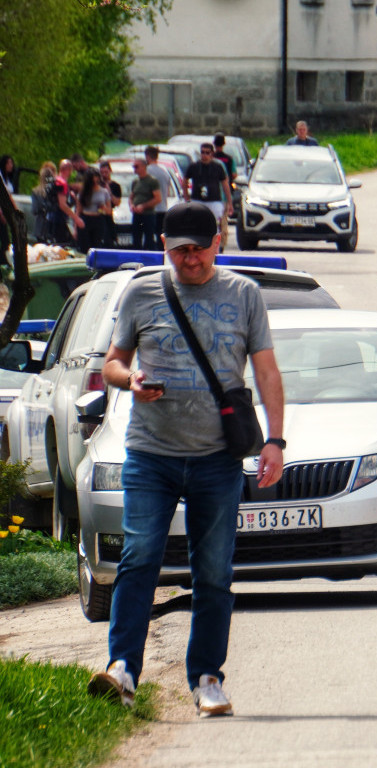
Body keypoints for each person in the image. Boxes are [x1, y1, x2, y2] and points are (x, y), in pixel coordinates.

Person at [87, 202, 286, 718]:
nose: (190, 259)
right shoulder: (141, 291)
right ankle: (123, 669)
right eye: (180, 251)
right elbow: (112, 361)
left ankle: (207, 678)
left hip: (217, 458)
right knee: (139, 559)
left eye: (198, 249)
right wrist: (129, 380)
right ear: (166, 249)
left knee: (214, 571)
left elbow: (265, 371)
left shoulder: (244, 294)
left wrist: (276, 441)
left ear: (217, 242)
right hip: (150, 453)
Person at [184, 143, 232, 239]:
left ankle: (215, 248)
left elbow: (225, 185)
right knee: (197, 226)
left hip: (214, 201)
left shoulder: (218, 167)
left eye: (207, 153)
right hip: (197, 200)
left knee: (214, 226)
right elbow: (185, 181)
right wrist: (187, 197)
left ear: (212, 154)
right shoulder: (194, 166)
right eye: (202, 152)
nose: (204, 155)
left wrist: (229, 202)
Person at [129, 158, 162, 251]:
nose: (134, 169)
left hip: (148, 215)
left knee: (149, 239)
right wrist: (131, 205)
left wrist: (143, 206)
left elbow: (158, 198)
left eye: (136, 166)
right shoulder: (135, 181)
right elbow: (131, 197)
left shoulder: (152, 181)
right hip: (137, 215)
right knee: (136, 239)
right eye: (133, 167)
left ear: (143, 167)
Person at [75, 169, 111, 252]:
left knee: (97, 247)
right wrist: (75, 228)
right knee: (84, 247)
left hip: (98, 219)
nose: (96, 181)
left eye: (97, 178)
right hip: (85, 219)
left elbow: (109, 211)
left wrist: (104, 208)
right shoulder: (83, 192)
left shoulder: (104, 192)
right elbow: (78, 210)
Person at [47, 160, 81, 247]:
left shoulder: (54, 180)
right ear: (69, 170)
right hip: (59, 220)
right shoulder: (62, 183)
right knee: (65, 246)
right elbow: (62, 205)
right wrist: (76, 218)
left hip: (49, 218)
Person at [212, 133, 236, 249]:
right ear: (224, 144)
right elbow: (234, 174)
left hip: (212, 194)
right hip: (225, 195)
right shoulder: (229, 159)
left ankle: (213, 243)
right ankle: (222, 243)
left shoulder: (211, 158)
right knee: (223, 220)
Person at [145, 145, 178, 223]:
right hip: (163, 208)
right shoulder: (164, 173)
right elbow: (168, 191)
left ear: (147, 156)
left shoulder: (146, 172)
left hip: (150, 210)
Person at [30, 162, 56, 243]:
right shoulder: (55, 191)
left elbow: (34, 210)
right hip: (52, 227)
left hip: (40, 228)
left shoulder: (35, 191)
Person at [99, 161, 122, 247]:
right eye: (102, 173)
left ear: (110, 171)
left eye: (106, 172)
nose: (104, 175)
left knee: (109, 238)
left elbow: (117, 202)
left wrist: (109, 192)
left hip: (108, 215)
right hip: (98, 214)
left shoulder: (115, 186)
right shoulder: (97, 185)